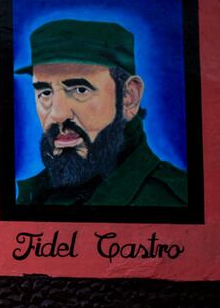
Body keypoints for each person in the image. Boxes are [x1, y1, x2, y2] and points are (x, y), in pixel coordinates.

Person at [14, 19, 187, 206]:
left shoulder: (175, 201)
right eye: (45, 93)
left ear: (129, 97)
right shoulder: (35, 195)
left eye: (80, 90)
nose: (57, 114)